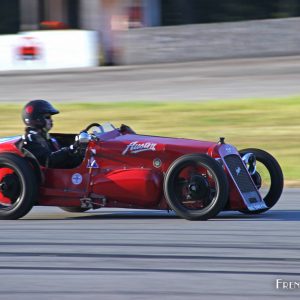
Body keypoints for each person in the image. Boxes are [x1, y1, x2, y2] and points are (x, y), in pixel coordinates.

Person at [21, 99, 80, 168]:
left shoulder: (45, 137)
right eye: (47, 117)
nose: (51, 120)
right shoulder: (30, 140)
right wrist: (71, 149)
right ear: (37, 119)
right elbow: (48, 161)